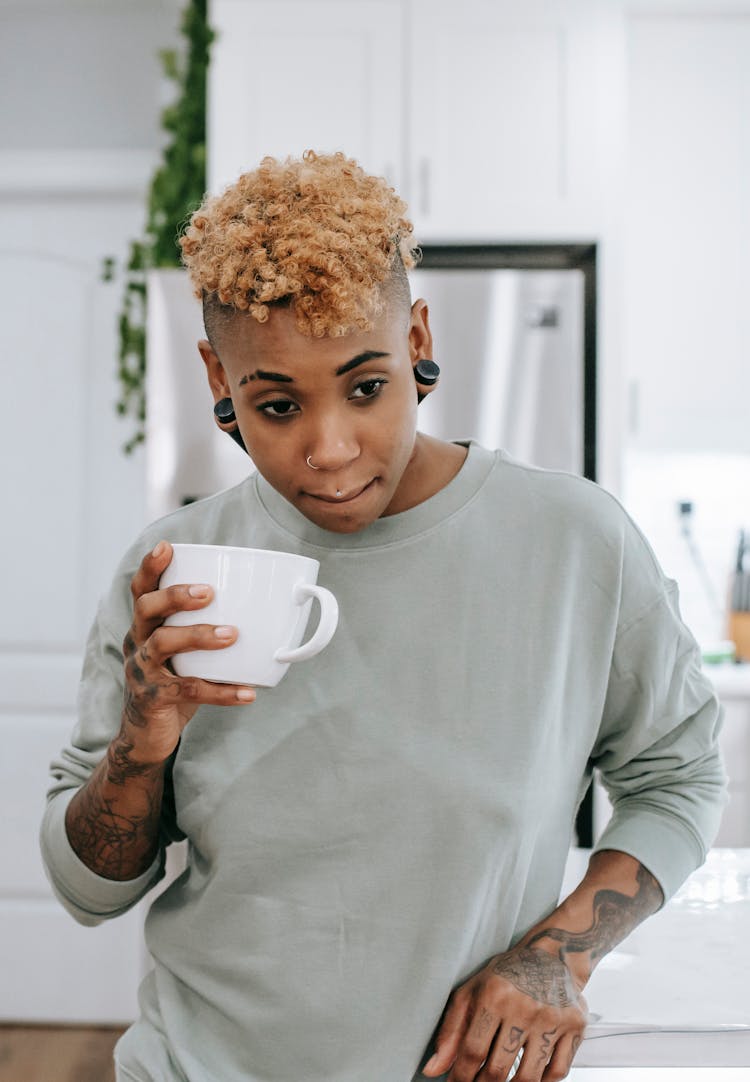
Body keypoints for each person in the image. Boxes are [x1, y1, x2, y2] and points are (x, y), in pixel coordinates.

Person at [41, 150, 727, 1082]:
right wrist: (141, 737)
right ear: (217, 378)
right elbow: (89, 891)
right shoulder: (171, 570)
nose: (329, 451)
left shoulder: (576, 541)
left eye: (366, 387)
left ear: (417, 338)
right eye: (275, 404)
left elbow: (676, 780)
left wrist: (557, 956)